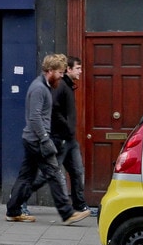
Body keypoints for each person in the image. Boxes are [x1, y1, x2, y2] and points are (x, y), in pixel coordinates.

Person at [6, 54, 90, 225]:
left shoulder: (43, 86)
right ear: (50, 71)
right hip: (37, 140)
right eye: (59, 72)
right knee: (54, 174)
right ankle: (67, 214)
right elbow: (35, 117)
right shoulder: (39, 89)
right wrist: (45, 139)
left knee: (26, 177)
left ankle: (13, 211)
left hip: (32, 139)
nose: (61, 75)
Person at [52, 56, 88, 215]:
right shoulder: (61, 86)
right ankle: (20, 201)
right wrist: (66, 127)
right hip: (60, 138)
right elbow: (54, 110)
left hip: (70, 139)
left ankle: (79, 205)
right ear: (69, 69)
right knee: (48, 173)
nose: (81, 71)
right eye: (78, 68)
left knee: (77, 171)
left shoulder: (68, 85)